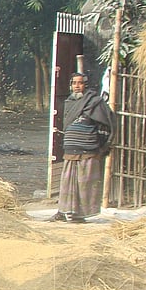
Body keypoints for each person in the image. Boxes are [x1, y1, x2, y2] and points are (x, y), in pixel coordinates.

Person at [52, 72, 114, 223]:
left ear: (85, 85)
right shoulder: (69, 102)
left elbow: (105, 125)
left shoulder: (95, 103)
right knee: (68, 182)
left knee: (84, 183)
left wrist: (100, 146)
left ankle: (79, 215)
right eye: (74, 83)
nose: (77, 86)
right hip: (71, 149)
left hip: (88, 149)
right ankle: (64, 211)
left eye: (80, 83)